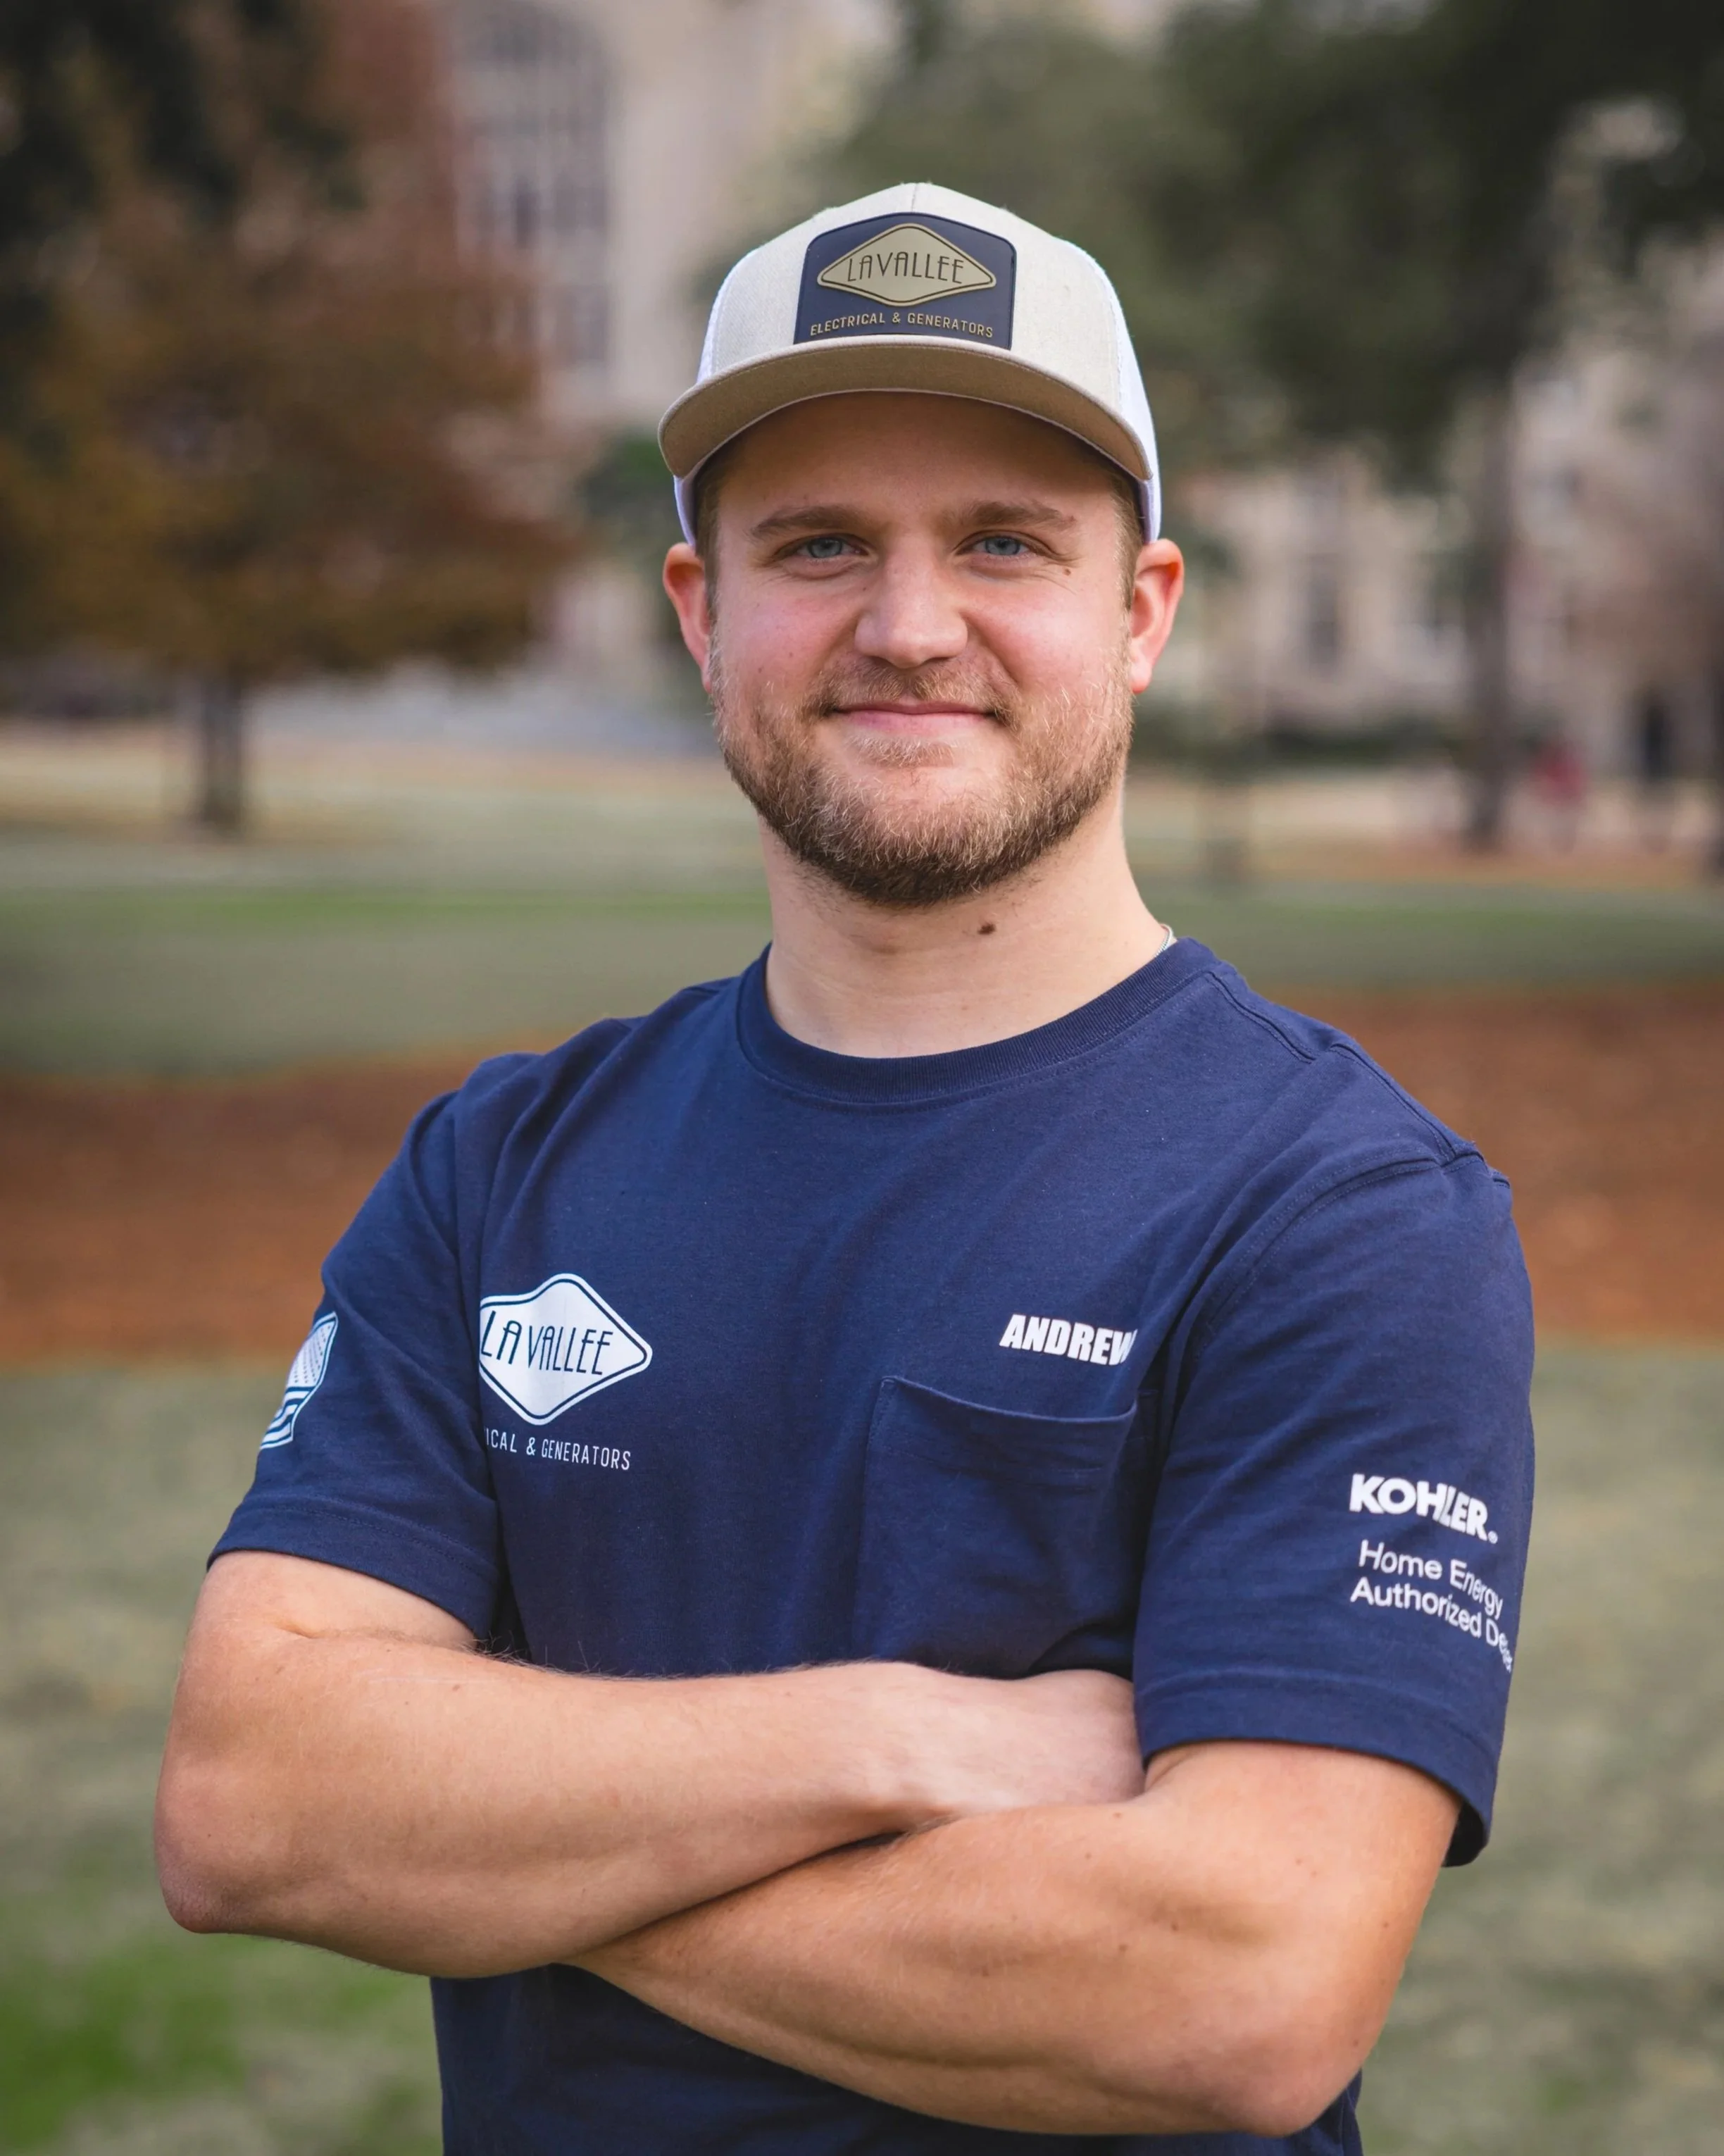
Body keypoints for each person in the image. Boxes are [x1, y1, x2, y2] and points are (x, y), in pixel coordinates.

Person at [157, 184, 1534, 2155]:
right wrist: (907, 1738)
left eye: (1000, 543)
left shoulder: (1339, 1208)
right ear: (702, 610)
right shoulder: (502, 1167)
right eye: (817, 547)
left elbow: (1241, 1984)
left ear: (1139, 611)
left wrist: (511, 1841)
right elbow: (251, 1796)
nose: (907, 626)